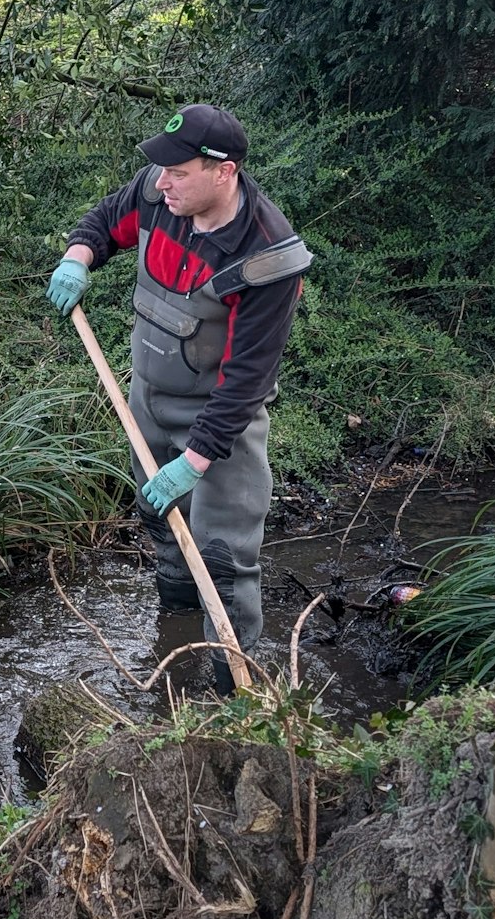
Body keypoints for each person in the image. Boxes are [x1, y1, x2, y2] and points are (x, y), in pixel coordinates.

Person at [47, 104, 311, 688]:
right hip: (147, 398)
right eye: (161, 169)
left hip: (219, 427)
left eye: (179, 171)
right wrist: (77, 257)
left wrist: (194, 462)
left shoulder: (265, 260)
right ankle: (175, 637)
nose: (162, 181)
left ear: (225, 172)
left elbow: (245, 382)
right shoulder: (156, 195)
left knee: (222, 559)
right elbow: (105, 220)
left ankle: (232, 689)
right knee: (158, 516)